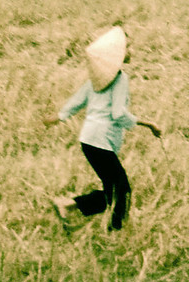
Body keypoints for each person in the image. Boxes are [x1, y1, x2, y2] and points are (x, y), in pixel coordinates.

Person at [43, 25, 160, 230]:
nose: (130, 52)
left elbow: (76, 101)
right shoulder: (120, 78)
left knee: (114, 188)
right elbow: (118, 113)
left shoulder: (95, 82)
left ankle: (69, 205)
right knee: (121, 189)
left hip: (88, 140)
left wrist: (59, 117)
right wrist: (148, 124)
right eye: (128, 48)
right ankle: (116, 231)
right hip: (101, 141)